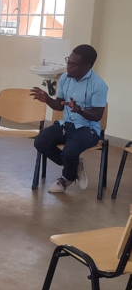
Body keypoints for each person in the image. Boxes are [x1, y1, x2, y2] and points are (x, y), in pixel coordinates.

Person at [31, 44, 108, 193]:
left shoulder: (99, 85)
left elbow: (98, 115)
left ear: (87, 66)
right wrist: (47, 99)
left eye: (74, 64)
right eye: (68, 61)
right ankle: (74, 165)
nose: (68, 66)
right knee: (41, 141)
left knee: (69, 152)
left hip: (88, 129)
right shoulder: (66, 78)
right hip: (66, 125)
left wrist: (80, 109)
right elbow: (60, 105)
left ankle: (66, 178)